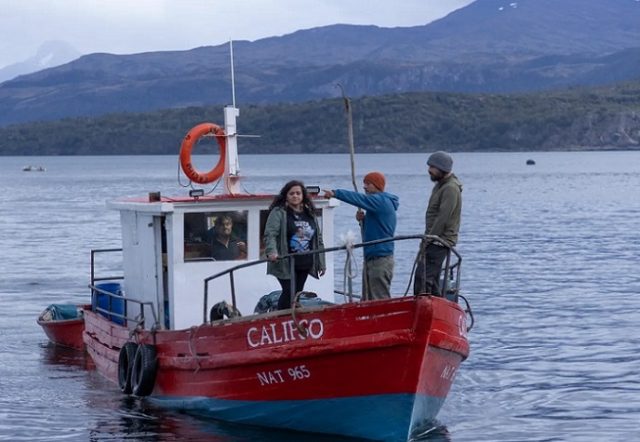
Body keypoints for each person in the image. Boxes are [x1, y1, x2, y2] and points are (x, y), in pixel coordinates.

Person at [323, 172, 399, 300]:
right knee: (368, 298)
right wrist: (363, 221)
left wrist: (336, 193)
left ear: (377, 185)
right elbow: (377, 228)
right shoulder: (377, 204)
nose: (364, 187)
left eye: (368, 184)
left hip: (380, 259)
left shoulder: (380, 201)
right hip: (372, 257)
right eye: (364, 183)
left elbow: (359, 199)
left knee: (379, 298)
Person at [264, 180, 326, 310]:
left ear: (303, 195)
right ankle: (281, 317)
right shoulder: (279, 212)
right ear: (286, 195)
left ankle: (293, 316)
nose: (295, 196)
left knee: (297, 293)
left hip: (305, 261)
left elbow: (318, 239)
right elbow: (270, 234)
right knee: (289, 292)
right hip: (286, 262)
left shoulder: (310, 214)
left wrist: (321, 262)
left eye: (298, 193)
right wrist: (272, 251)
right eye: (291, 193)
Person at [414, 151, 462, 296]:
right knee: (431, 279)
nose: (429, 170)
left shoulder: (450, 188)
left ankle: (423, 308)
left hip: (439, 241)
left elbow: (443, 217)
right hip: (433, 239)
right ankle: (436, 306)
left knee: (422, 278)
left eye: (432, 167)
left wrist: (430, 239)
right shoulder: (440, 185)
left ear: (442, 168)